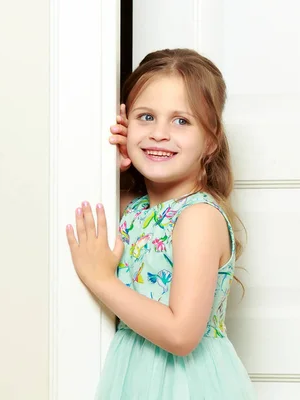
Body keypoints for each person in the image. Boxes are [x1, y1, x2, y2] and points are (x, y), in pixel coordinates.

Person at [65, 48, 257, 399]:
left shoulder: (198, 217)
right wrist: (113, 163)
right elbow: (86, 199)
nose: (159, 134)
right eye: (146, 117)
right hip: (134, 376)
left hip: (187, 384)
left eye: (181, 121)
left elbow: (181, 334)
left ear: (211, 140)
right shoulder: (136, 208)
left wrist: (100, 280)